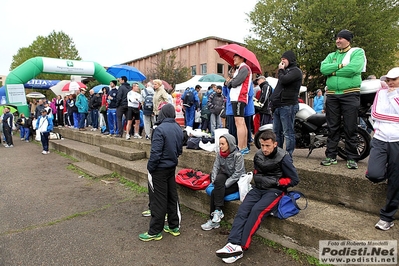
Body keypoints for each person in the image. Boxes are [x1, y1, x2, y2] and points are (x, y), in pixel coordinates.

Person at [215, 130, 299, 263]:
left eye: (268, 146)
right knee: (243, 210)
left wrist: (277, 182)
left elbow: (294, 179)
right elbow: (256, 172)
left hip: (274, 191)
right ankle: (232, 243)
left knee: (256, 211)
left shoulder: (284, 157)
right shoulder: (258, 155)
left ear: (275, 144)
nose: (264, 149)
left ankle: (241, 247)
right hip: (258, 189)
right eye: (262, 145)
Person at [320, 29, 367, 169]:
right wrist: (340, 66)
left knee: (350, 126)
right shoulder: (331, 55)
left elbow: (353, 69)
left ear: (348, 40)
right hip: (333, 94)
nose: (338, 40)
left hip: (350, 93)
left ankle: (352, 157)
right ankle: (331, 156)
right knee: (332, 126)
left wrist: (332, 71)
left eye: (341, 38)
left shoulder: (357, 53)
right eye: (337, 38)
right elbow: (323, 68)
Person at [139, 103, 183, 241]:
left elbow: (155, 153)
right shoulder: (178, 128)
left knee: (159, 200)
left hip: (159, 169)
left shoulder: (159, 129)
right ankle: (173, 225)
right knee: (172, 196)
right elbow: (180, 150)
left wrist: (150, 168)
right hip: (171, 166)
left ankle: (155, 231)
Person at [366, 67, 399, 231]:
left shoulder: (393, 94)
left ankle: (387, 217)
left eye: (394, 79)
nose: (390, 82)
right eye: (388, 79)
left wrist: (393, 96)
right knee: (374, 174)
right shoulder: (380, 93)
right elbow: (375, 114)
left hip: (397, 141)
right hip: (380, 138)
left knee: (395, 180)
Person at [201, 133, 245, 231]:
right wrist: (214, 181)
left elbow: (238, 174)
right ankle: (217, 212)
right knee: (219, 178)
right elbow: (215, 168)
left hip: (236, 181)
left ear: (229, 144)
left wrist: (225, 184)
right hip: (224, 178)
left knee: (214, 192)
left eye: (223, 144)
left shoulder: (238, 156)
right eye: (219, 144)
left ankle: (214, 219)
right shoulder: (220, 154)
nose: (220, 146)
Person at [270, 50, 303, 158]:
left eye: (284, 59)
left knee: (288, 132)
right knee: (276, 132)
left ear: (290, 59)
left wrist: (280, 70)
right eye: (281, 60)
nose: (282, 62)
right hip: (278, 106)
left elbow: (284, 80)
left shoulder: (296, 71)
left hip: (288, 105)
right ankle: (278, 153)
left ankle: (288, 154)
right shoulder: (285, 71)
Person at [224, 54, 253, 154]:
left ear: (242, 57)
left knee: (239, 123)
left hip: (239, 98)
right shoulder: (240, 68)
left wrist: (230, 82)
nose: (233, 59)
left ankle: (241, 147)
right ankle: (243, 146)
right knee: (242, 123)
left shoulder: (244, 68)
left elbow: (235, 83)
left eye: (235, 57)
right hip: (238, 98)